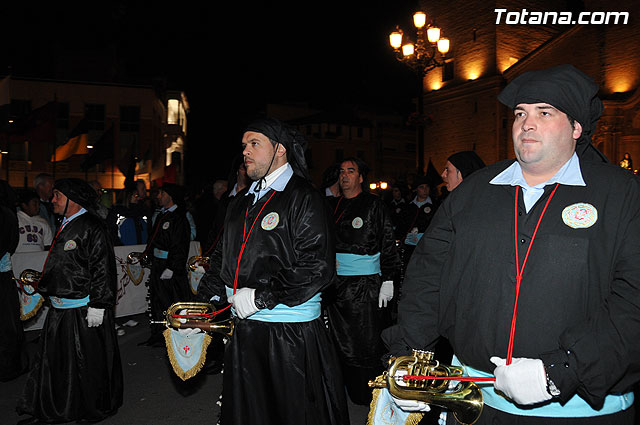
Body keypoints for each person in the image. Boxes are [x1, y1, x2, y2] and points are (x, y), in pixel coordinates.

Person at [382, 64, 640, 424]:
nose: (526, 124)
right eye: (520, 113)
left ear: (577, 128)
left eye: (544, 113)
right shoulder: (473, 191)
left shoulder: (622, 194)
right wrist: (411, 357)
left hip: (576, 410)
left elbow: (632, 301)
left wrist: (560, 370)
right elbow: (429, 278)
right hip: (474, 405)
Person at [195, 117, 349, 425]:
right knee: (250, 410)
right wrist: (204, 307)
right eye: (244, 146)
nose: (246, 152)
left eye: (254, 144)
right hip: (245, 330)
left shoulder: (304, 196)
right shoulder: (241, 201)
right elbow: (224, 257)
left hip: (289, 335)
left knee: (291, 412)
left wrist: (262, 297)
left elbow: (318, 266)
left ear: (280, 149)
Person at [17, 178, 123, 423]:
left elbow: (104, 269)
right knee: (57, 365)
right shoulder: (66, 223)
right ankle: (53, 409)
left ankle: (89, 408)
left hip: (83, 311)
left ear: (72, 199)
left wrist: (99, 304)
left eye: (57, 196)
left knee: (86, 365)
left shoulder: (93, 227)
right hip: (60, 312)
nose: (52, 200)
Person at [326, 157, 400, 406]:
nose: (344, 175)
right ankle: (343, 388)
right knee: (338, 339)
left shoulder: (374, 206)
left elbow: (387, 242)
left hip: (365, 285)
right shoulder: (333, 206)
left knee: (365, 340)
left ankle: (368, 392)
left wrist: (388, 279)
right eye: (341, 171)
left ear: (360, 177)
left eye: (350, 171)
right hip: (337, 286)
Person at [141, 182, 192, 346]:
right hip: (158, 265)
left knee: (169, 301)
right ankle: (159, 335)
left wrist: (172, 267)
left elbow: (180, 245)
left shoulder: (178, 217)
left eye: (161, 193)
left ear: (170, 196)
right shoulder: (163, 215)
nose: (158, 196)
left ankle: (175, 335)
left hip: (169, 268)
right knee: (156, 301)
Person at [0, 179, 23, 382]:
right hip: (4, 272)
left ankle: (8, 365)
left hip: (2, 273)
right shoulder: (9, 214)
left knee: (6, 323)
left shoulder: (5, 215)